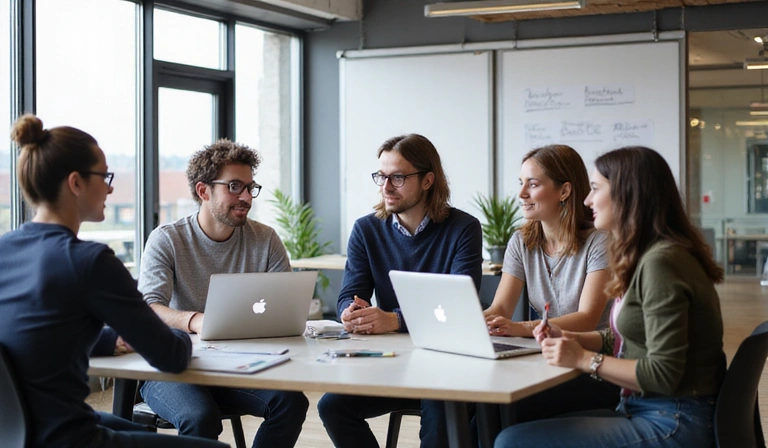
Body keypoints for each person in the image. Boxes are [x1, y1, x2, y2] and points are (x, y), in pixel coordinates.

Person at [0, 114, 228, 448]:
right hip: (67, 438)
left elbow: (34, 333)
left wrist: (110, 340)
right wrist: (183, 336)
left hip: (17, 432)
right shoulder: (89, 261)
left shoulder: (5, 249)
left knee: (131, 428)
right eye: (104, 176)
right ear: (76, 183)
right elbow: (170, 357)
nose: (110, 188)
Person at [494, 146, 727, 448]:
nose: (587, 200)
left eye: (595, 189)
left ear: (627, 194)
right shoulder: (649, 255)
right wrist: (570, 337)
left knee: (511, 442)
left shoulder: (661, 263)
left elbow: (664, 374)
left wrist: (582, 359)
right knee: (505, 423)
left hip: (673, 419)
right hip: (649, 408)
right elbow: (627, 339)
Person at [138, 139, 308, 447]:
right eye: (234, 187)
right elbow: (148, 308)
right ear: (203, 191)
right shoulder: (167, 240)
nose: (246, 197)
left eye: (250, 187)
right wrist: (196, 321)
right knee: (200, 417)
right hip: (174, 369)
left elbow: (287, 308)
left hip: (238, 368)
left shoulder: (265, 239)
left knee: (291, 403)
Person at [317, 133, 484, 448]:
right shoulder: (366, 229)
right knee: (332, 407)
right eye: (381, 176)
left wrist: (394, 320)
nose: (386, 187)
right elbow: (349, 293)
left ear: (427, 180)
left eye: (397, 177)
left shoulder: (464, 228)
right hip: (392, 361)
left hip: (445, 362)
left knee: (440, 405)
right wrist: (349, 312)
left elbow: (458, 307)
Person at [481, 145, 619, 423]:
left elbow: (587, 318)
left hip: (591, 367)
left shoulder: (599, 242)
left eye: (532, 185)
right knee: (475, 410)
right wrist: (471, 323)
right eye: (521, 183)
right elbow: (500, 308)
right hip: (548, 360)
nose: (521, 194)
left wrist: (521, 328)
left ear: (564, 191)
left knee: (497, 413)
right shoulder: (521, 241)